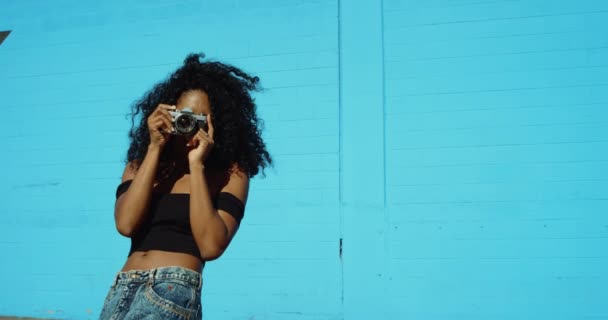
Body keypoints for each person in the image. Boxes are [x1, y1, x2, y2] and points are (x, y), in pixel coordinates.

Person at [99, 53, 272, 320]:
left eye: (200, 119)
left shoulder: (229, 174)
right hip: (122, 288)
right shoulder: (140, 165)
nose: (188, 125)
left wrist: (197, 165)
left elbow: (211, 246)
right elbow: (126, 224)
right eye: (184, 116)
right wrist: (155, 146)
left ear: (218, 124)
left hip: (172, 291)